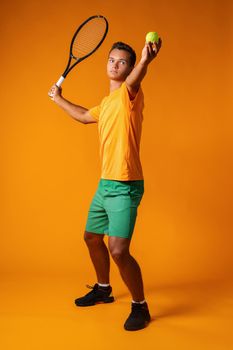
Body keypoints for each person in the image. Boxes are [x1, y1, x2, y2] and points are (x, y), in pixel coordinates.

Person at [48, 38, 162, 331]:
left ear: (128, 69)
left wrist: (144, 62)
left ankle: (140, 306)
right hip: (105, 185)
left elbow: (137, 77)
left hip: (125, 185)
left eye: (122, 62)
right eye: (112, 60)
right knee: (91, 237)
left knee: (119, 251)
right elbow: (85, 116)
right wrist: (58, 98)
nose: (115, 64)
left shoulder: (129, 94)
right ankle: (103, 288)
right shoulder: (107, 104)